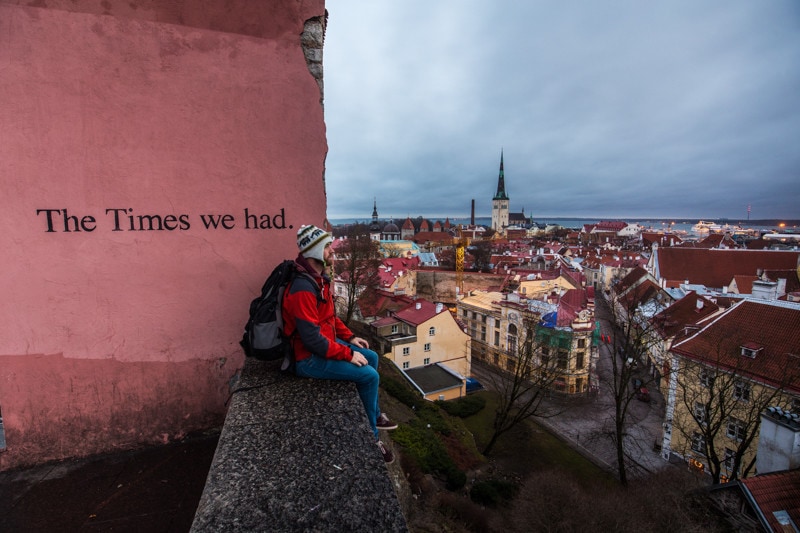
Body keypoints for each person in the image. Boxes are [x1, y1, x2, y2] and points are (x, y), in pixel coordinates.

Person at [282, 224, 397, 463]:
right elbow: (311, 340)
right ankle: (372, 438)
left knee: (372, 356)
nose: (332, 253)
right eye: (327, 249)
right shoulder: (303, 288)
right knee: (369, 376)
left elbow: (330, 317)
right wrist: (346, 354)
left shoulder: (317, 280)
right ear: (314, 252)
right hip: (306, 358)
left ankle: (374, 415)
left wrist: (349, 338)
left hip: (323, 343)